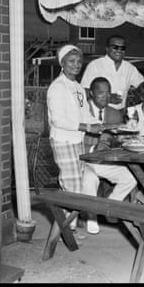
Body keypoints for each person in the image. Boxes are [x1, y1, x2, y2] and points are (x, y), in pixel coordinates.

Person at [46, 44, 106, 232]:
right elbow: (58, 121)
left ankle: (68, 225)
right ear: (62, 63)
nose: (76, 65)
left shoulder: (78, 87)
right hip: (63, 141)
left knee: (79, 183)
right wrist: (87, 127)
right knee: (72, 187)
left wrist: (99, 125)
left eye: (79, 61)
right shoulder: (57, 87)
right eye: (71, 61)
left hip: (77, 141)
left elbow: (84, 114)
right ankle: (66, 228)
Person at [81, 76, 137, 235]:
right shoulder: (82, 110)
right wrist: (93, 148)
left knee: (130, 178)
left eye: (108, 93)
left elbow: (117, 140)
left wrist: (121, 137)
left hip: (103, 161)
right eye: (101, 93)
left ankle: (109, 207)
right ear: (91, 93)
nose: (105, 96)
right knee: (89, 180)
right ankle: (92, 218)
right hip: (84, 158)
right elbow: (76, 137)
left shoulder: (114, 114)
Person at [80, 35, 144, 110]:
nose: (119, 50)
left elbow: (143, 86)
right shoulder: (95, 65)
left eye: (122, 48)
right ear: (107, 49)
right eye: (115, 47)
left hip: (119, 114)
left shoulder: (129, 68)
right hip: (98, 112)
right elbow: (83, 92)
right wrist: (108, 97)